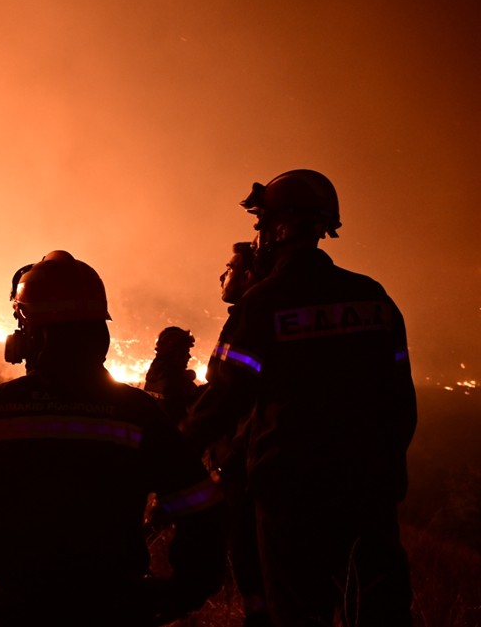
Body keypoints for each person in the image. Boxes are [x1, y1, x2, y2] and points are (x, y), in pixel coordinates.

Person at [0, 250, 226, 626]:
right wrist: (176, 595)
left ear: (32, 332)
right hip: (117, 610)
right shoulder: (137, 413)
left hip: (21, 610)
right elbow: (202, 511)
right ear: (98, 330)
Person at [181, 170, 417, 626]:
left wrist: (171, 452)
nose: (258, 236)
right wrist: (386, 471)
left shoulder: (265, 302)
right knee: (377, 609)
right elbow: (400, 400)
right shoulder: (372, 297)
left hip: (292, 492)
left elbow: (226, 396)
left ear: (279, 227)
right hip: (369, 487)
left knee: (298, 612)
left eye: (261, 224)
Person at [185, 240, 271, 627]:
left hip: (252, 473)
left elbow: (228, 395)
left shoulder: (254, 314)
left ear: (250, 274)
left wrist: (179, 449)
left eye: (231, 267)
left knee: (254, 564)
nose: (224, 275)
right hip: (255, 466)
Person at [142, 326, 202, 425]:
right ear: (175, 352)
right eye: (186, 351)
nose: (189, 356)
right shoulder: (177, 383)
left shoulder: (154, 377)